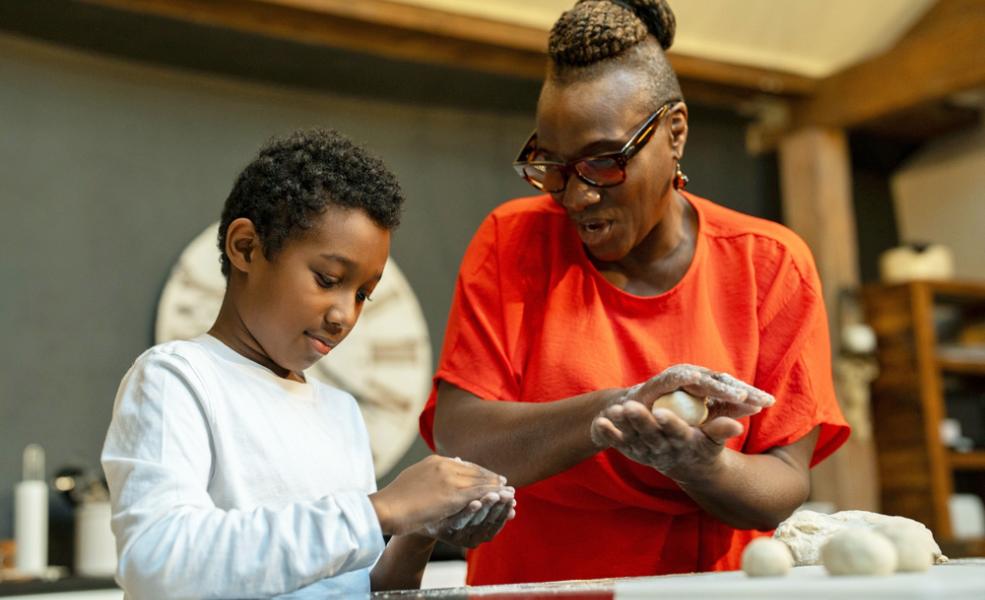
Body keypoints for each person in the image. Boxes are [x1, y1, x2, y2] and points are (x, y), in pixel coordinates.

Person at [419, 0, 850, 586]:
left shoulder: (768, 264)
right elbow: (462, 437)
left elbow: (782, 485)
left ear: (674, 133)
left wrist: (700, 465)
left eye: (603, 163)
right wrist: (616, 412)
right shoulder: (513, 241)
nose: (573, 198)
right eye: (552, 164)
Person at [102, 129, 515, 598]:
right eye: (327, 279)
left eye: (362, 294)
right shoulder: (175, 379)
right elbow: (158, 564)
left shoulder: (342, 413)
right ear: (246, 248)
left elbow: (353, 589)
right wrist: (380, 511)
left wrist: (421, 528)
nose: (344, 315)